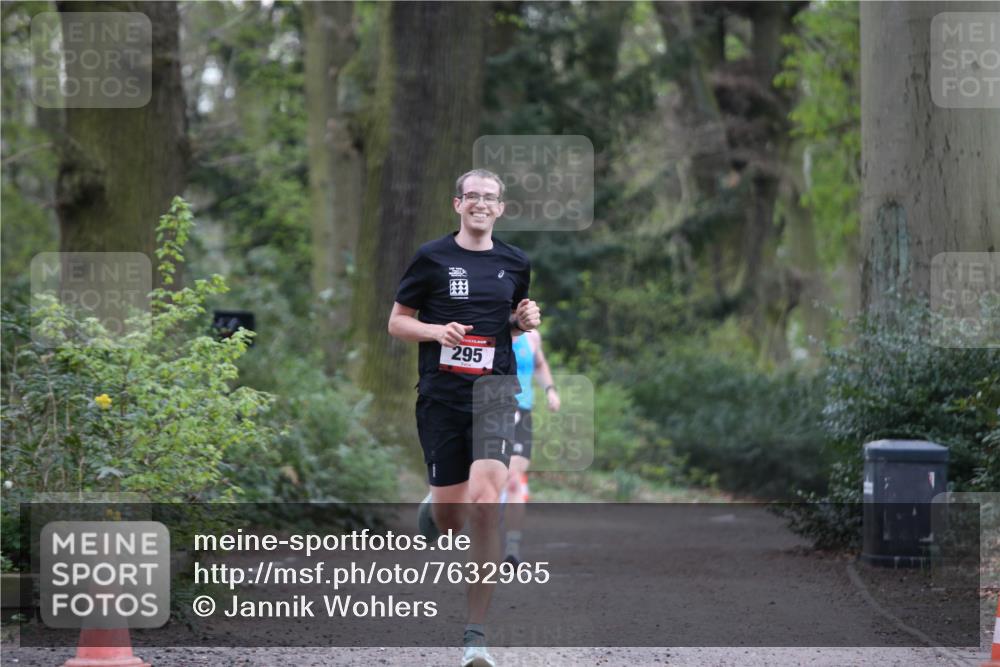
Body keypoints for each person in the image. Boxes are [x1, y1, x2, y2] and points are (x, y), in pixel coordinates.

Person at [388, 169, 540, 667]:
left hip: (495, 393)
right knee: (452, 519)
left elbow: (508, 326)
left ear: (500, 208)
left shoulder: (515, 262)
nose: (480, 203)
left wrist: (522, 321)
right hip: (441, 397)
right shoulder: (432, 258)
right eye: (471, 196)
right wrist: (435, 332)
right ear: (458, 204)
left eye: (489, 197)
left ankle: (475, 637)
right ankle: (435, 504)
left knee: (483, 503)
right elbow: (397, 322)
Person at [502, 328, 560, 566]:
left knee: (514, 479)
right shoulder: (492, 328)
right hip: (493, 410)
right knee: (485, 479)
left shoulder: (532, 336)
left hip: (523, 413)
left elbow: (539, 364)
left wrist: (550, 390)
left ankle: (512, 549)